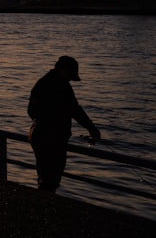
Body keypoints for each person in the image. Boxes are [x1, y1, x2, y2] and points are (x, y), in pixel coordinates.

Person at [28, 55, 102, 192]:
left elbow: (30, 111)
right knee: (52, 177)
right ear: (64, 69)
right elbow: (75, 110)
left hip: (36, 133)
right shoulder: (61, 85)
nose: (70, 79)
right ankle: (46, 208)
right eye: (71, 75)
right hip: (52, 136)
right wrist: (91, 128)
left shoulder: (41, 82)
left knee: (43, 174)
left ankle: (41, 205)